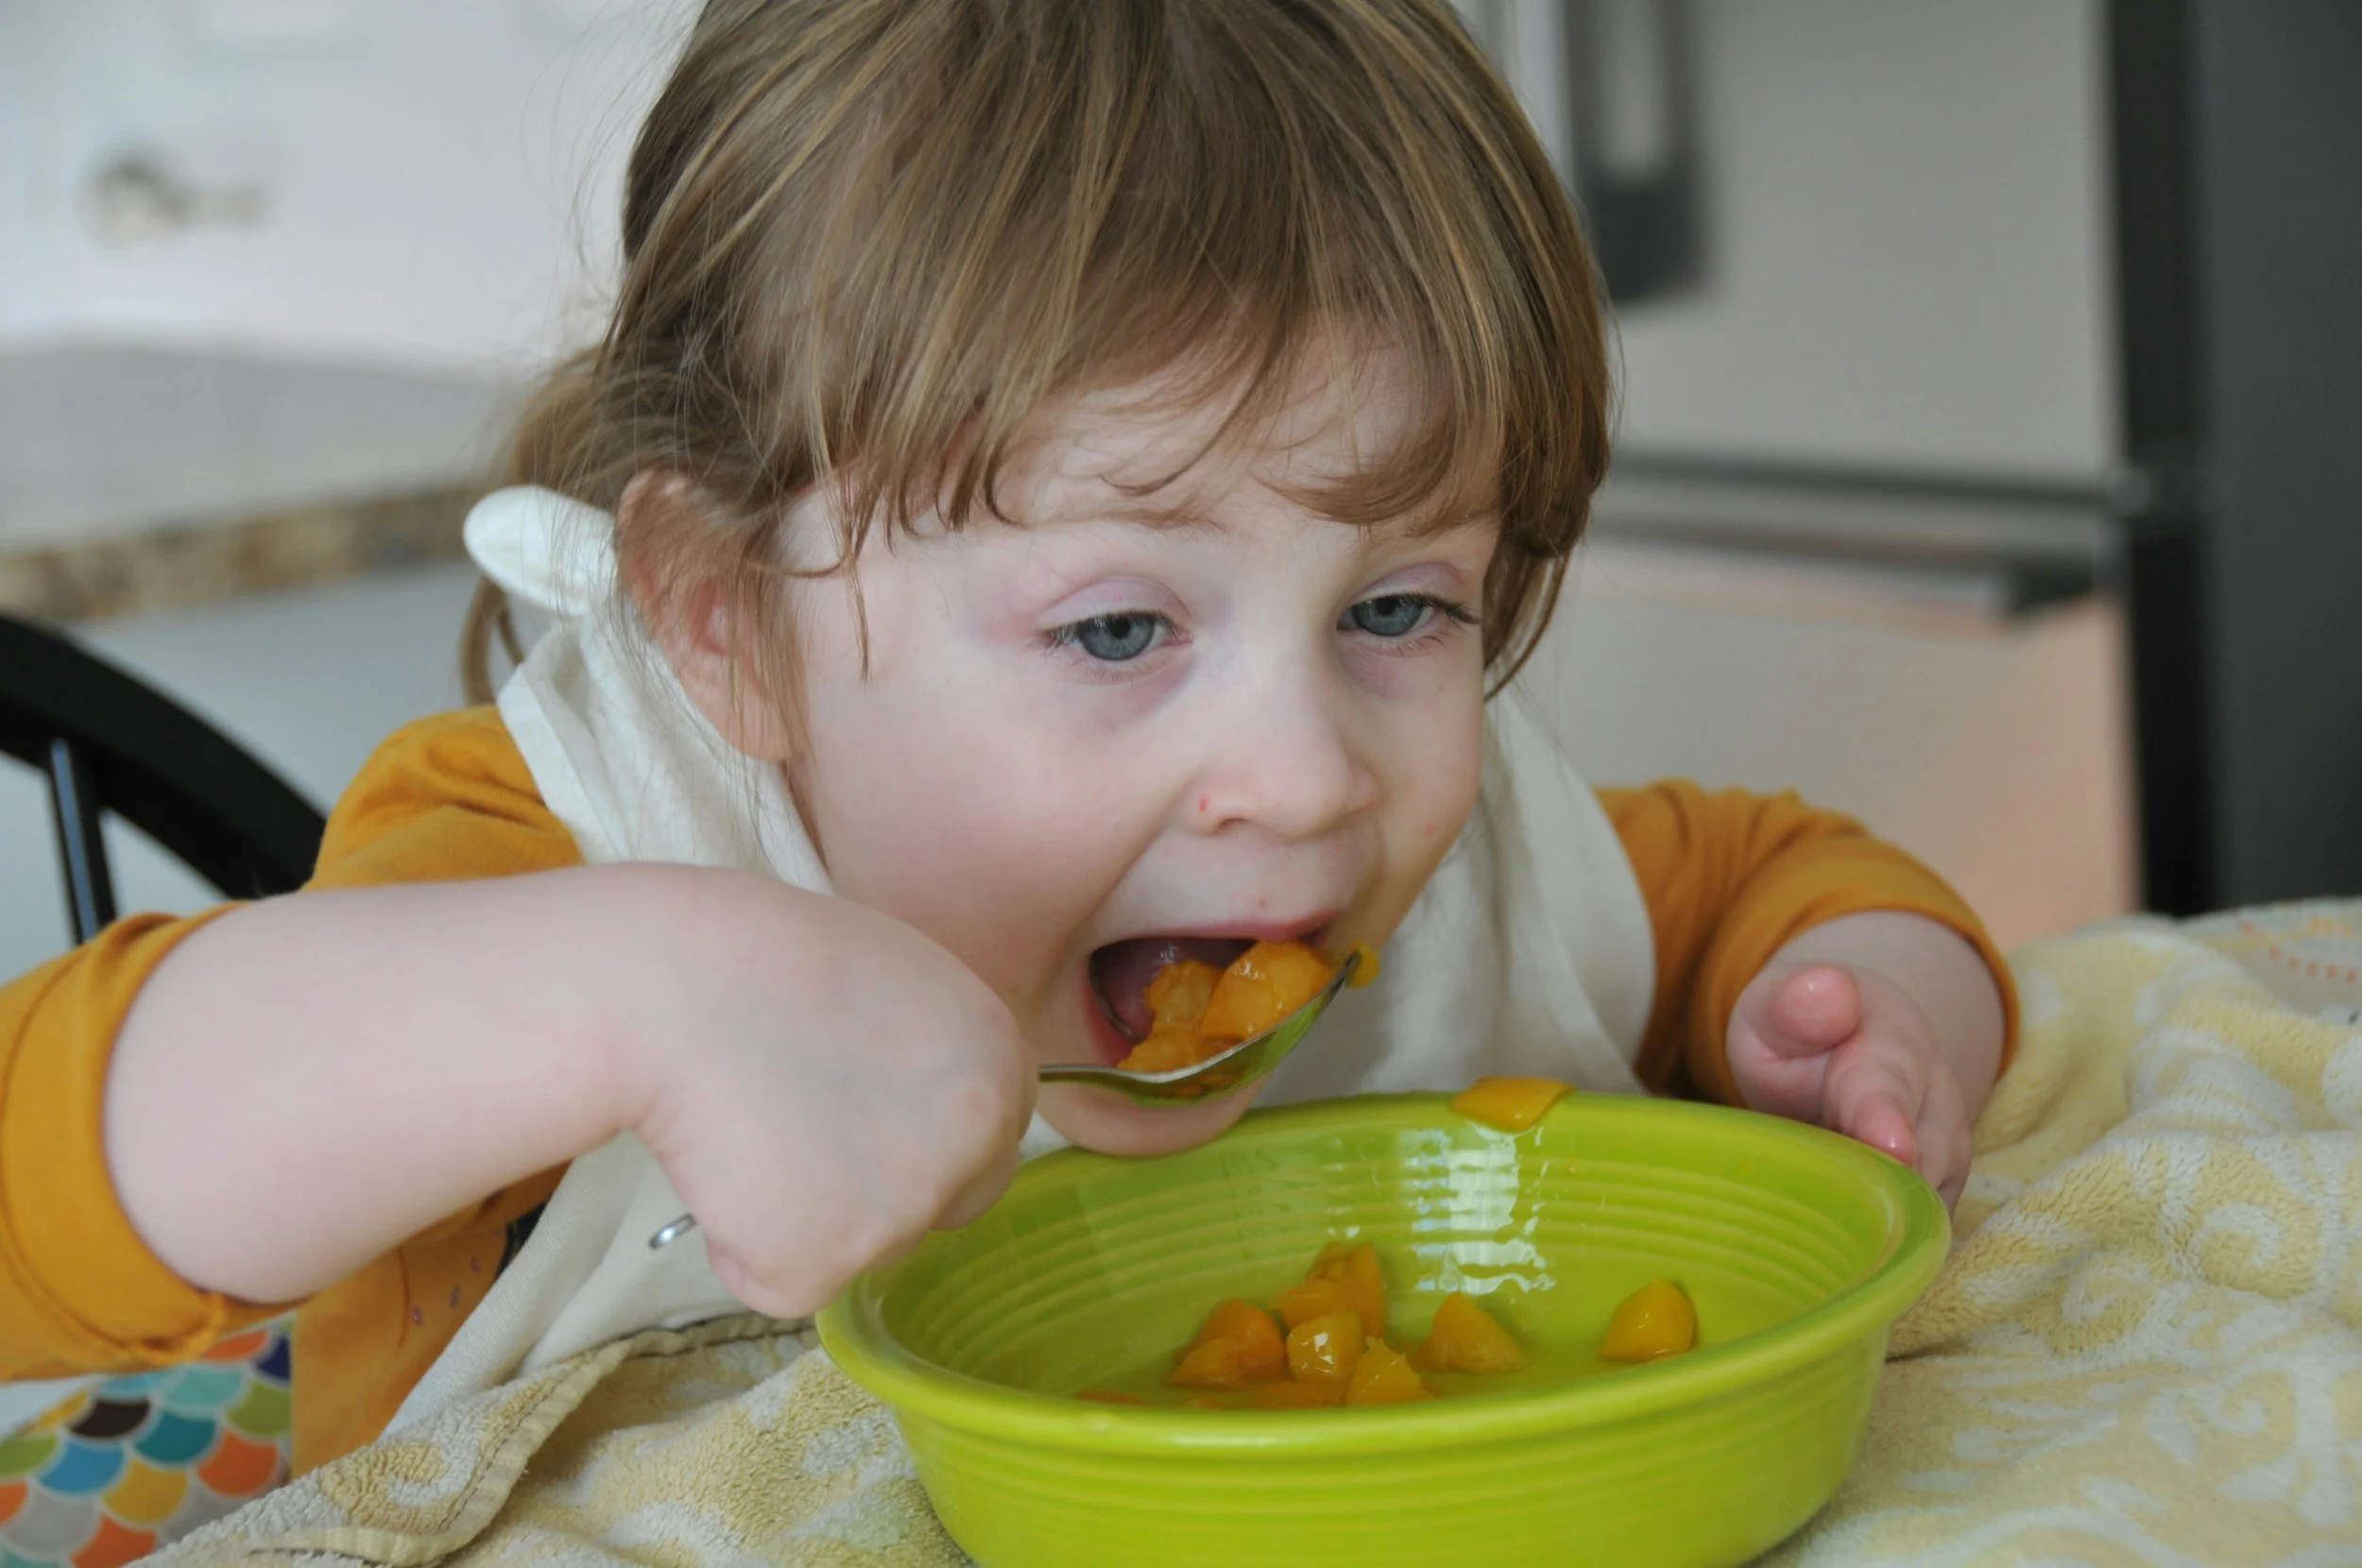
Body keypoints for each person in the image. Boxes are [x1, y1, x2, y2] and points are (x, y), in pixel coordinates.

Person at [0, 0, 2011, 1483]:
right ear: (734, 625)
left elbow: (1770, 880)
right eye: (1119, 625)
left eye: (1395, 606)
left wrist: (1868, 1011)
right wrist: (631, 993)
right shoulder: (566, 858)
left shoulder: (1453, 877)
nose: (1305, 772)